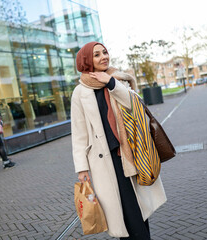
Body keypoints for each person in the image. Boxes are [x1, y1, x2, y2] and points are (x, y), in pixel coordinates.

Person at [71, 42, 167, 239]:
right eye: (97, 55)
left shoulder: (117, 79)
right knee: (120, 212)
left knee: (136, 208)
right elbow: (79, 133)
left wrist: (110, 83)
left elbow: (134, 104)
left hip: (128, 153)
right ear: (87, 60)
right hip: (103, 161)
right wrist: (82, 168)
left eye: (105, 52)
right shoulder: (79, 93)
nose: (103, 57)